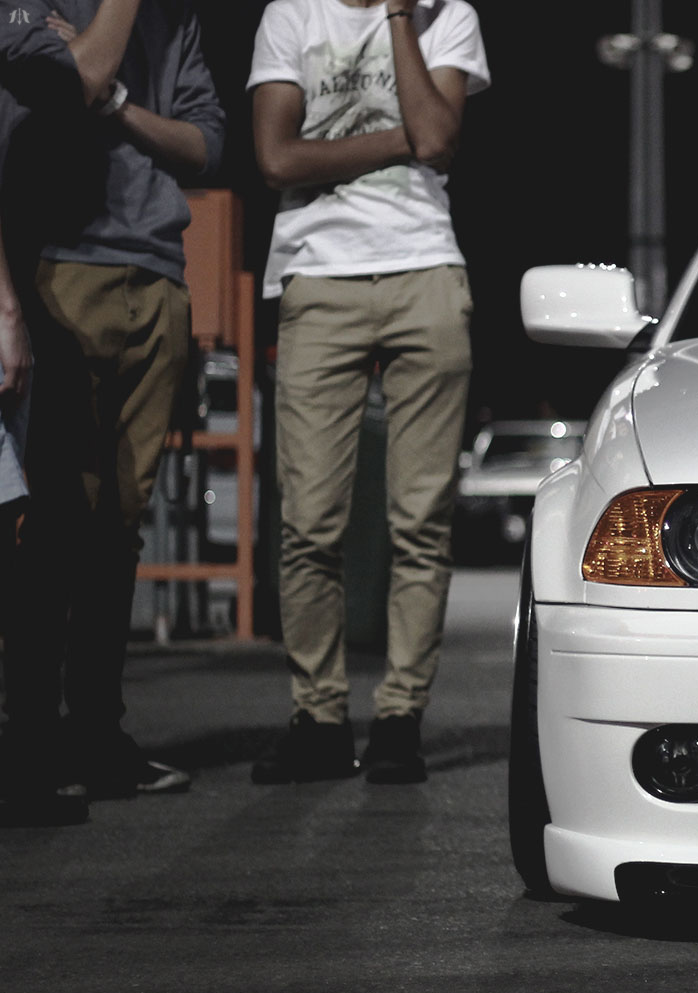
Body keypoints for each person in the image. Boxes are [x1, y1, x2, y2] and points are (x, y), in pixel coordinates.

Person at [247, 0, 488, 786]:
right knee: (309, 520)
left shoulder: (446, 16)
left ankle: (398, 719)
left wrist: (397, 19)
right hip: (319, 277)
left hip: (426, 272)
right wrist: (399, 139)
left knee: (421, 520)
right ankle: (319, 718)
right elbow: (276, 158)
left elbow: (440, 137)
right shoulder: (292, 14)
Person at [1, 0, 202, 821]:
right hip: (59, 262)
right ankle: (30, 742)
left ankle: (94, 734)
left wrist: (121, 106)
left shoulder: (175, 19)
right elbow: (78, 78)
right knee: (52, 516)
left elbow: (207, 142)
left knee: (121, 519)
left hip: (156, 270)